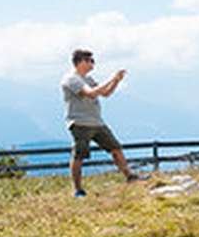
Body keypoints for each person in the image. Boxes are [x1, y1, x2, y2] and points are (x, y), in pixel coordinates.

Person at [60, 49, 139, 197]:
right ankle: (77, 189)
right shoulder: (71, 79)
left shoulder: (88, 79)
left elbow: (105, 93)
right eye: (90, 61)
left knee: (115, 148)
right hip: (80, 123)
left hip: (96, 122)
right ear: (80, 62)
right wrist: (111, 78)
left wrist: (116, 81)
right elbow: (91, 93)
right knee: (79, 155)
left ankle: (130, 176)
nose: (93, 64)